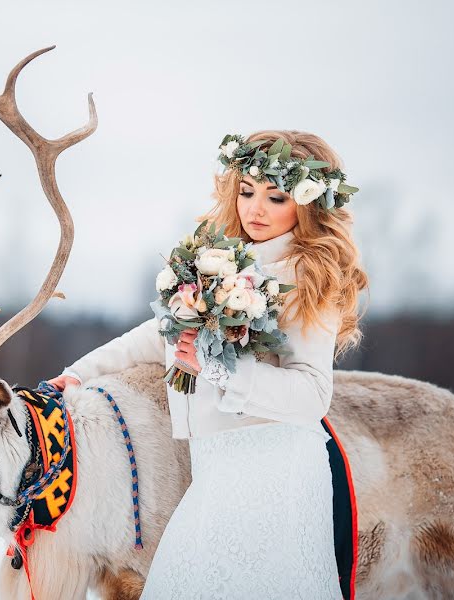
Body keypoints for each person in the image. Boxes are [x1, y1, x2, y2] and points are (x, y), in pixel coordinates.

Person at [47, 130, 368, 599]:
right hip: (216, 467)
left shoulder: (307, 275)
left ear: (308, 203)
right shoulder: (218, 263)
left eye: (276, 197)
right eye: (246, 192)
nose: (255, 209)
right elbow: (159, 336)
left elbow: (312, 395)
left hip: (274, 470)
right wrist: (78, 373)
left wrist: (218, 367)